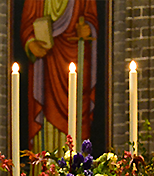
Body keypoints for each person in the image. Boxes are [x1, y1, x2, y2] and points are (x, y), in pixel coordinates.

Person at [20, 0, 98, 152]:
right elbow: (27, 24)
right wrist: (30, 43)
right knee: (47, 110)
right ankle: (45, 170)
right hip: (47, 63)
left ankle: (77, 169)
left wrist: (89, 29)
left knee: (76, 112)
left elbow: (92, 18)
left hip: (76, 54)